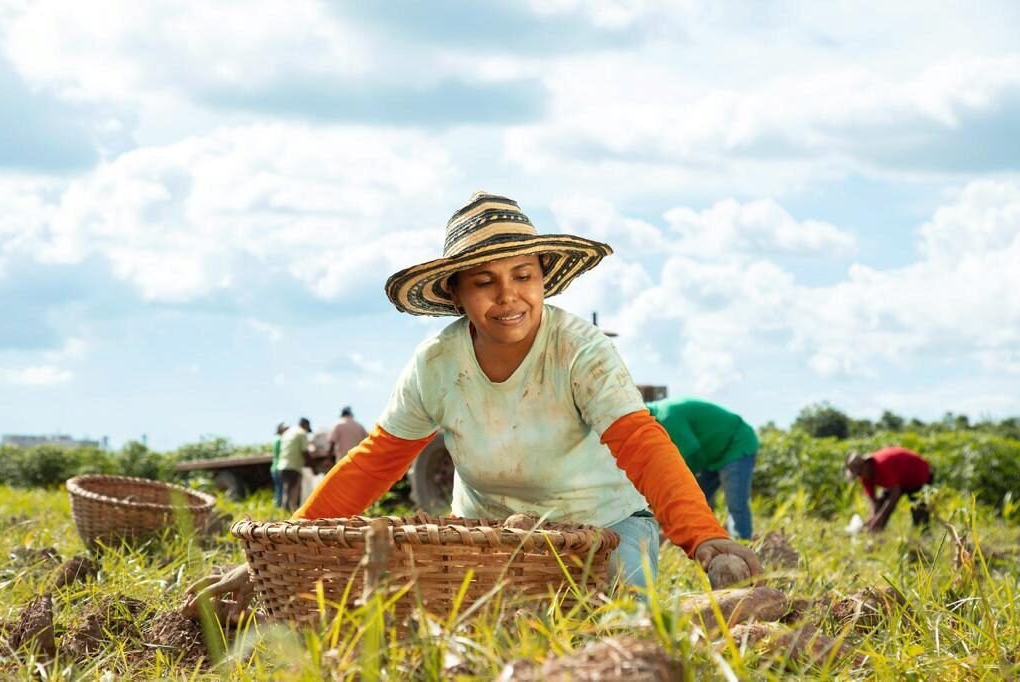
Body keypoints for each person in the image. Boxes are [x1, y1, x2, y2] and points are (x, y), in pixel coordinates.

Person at [186, 191, 760, 621]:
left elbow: (640, 444)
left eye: (523, 275)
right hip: (486, 535)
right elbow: (376, 462)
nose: (508, 295)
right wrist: (277, 550)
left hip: (602, 525)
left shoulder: (579, 350)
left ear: (543, 280)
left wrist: (704, 538)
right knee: (457, 631)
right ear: (456, 293)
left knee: (621, 624)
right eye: (484, 282)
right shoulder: (437, 364)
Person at [646, 399, 759, 540]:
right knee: (695, 501)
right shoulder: (658, 417)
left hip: (736, 444)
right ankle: (699, 539)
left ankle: (742, 544)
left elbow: (692, 454)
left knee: (736, 504)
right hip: (711, 455)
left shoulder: (666, 417)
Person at [845, 447, 933, 531]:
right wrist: (874, 517)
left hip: (918, 475)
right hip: (900, 479)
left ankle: (924, 536)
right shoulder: (864, 476)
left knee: (919, 512)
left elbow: (895, 494)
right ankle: (876, 532)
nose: (860, 476)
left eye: (860, 473)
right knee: (881, 506)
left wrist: (880, 517)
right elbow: (873, 499)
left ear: (865, 465)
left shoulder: (882, 465)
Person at [277, 417, 312, 512]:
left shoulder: (288, 432)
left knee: (286, 491)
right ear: (305, 425)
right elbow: (305, 452)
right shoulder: (302, 433)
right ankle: (289, 514)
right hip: (293, 466)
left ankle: (284, 512)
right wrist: (312, 467)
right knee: (293, 493)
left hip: (282, 465)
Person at [320, 406, 368, 473]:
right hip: (357, 461)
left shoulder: (338, 425)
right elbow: (367, 442)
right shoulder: (360, 426)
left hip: (342, 461)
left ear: (342, 415)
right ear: (351, 415)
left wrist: (328, 459)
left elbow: (332, 443)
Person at [270, 422, 288, 508]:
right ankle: (278, 506)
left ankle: (277, 506)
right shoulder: (280, 440)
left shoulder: (276, 439)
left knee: (278, 488)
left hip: (275, 467)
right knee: (280, 489)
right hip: (278, 467)